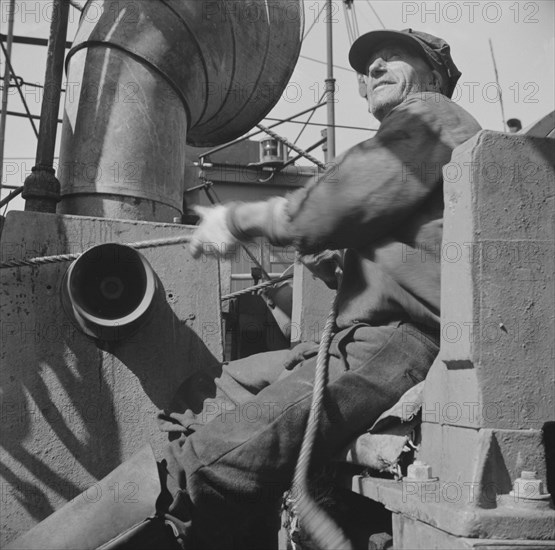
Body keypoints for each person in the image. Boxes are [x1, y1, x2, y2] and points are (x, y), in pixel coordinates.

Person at [8, 29, 481, 550]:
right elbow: (354, 233)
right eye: (367, 66)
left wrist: (246, 218)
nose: (375, 69)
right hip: (357, 336)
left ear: (434, 76)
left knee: (206, 463)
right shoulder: (409, 142)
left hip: (399, 339)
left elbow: (346, 202)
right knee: (206, 394)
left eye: (393, 57)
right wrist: (321, 248)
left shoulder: (432, 115)